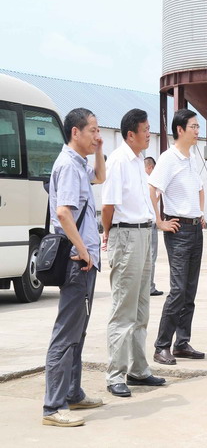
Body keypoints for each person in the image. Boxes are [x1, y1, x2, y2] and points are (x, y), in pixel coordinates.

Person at [42, 108, 106, 427]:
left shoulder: (79, 164)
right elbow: (63, 213)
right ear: (75, 133)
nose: (97, 136)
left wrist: (99, 149)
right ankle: (53, 407)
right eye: (92, 130)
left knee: (78, 332)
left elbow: (101, 177)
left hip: (85, 260)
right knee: (66, 333)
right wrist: (83, 251)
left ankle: (72, 393)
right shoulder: (68, 165)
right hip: (76, 261)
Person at [101, 109, 166, 398]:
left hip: (143, 233)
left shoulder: (139, 161)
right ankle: (115, 374)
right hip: (125, 235)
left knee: (141, 308)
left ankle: (139, 369)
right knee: (123, 309)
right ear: (131, 134)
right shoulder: (118, 161)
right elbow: (108, 206)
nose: (149, 134)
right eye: (145, 129)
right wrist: (109, 234)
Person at [148, 109, 206, 365]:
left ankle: (182, 343)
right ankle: (162, 346)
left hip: (195, 229)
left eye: (198, 126)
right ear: (180, 130)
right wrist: (159, 221)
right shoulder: (168, 158)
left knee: (190, 291)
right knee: (178, 290)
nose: (197, 131)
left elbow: (200, 188)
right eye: (194, 126)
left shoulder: (191, 157)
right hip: (178, 230)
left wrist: (200, 213)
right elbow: (152, 190)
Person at [144, 156, 163, 296]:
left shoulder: (139, 179)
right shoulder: (150, 182)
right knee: (151, 256)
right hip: (150, 222)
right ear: (150, 167)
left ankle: (143, 286)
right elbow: (153, 201)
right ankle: (149, 286)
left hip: (139, 224)